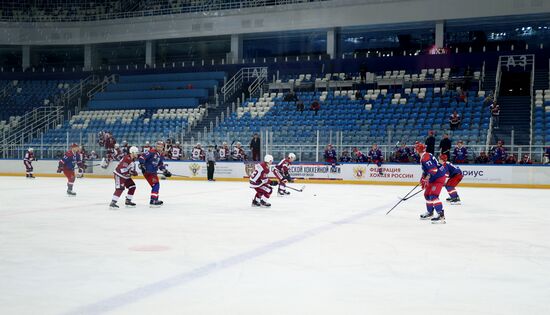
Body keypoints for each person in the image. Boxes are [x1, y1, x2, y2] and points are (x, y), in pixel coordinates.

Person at [416, 142, 447, 223]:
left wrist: (426, 179)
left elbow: (433, 170)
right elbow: (427, 170)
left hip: (438, 177)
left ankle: (441, 215)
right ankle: (430, 213)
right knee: (427, 194)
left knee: (433, 195)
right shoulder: (425, 155)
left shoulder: (425, 157)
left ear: (417, 150)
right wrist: (422, 178)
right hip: (434, 178)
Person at [139, 140, 171, 207]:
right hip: (148, 172)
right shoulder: (152, 152)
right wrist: (142, 165)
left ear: (162, 147)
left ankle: (155, 199)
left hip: (153, 172)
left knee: (155, 186)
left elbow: (160, 165)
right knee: (156, 185)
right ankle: (153, 201)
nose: (159, 147)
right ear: (156, 146)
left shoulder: (160, 155)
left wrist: (165, 171)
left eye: (161, 146)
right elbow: (142, 157)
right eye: (158, 146)